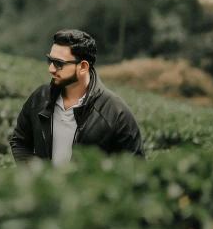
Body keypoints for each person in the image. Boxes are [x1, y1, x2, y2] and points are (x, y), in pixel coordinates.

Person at [10, 29, 144, 165]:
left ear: (83, 66)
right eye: (49, 60)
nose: (51, 68)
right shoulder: (40, 97)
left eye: (58, 63)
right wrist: (35, 176)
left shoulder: (115, 111)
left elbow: (135, 166)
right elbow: (20, 142)